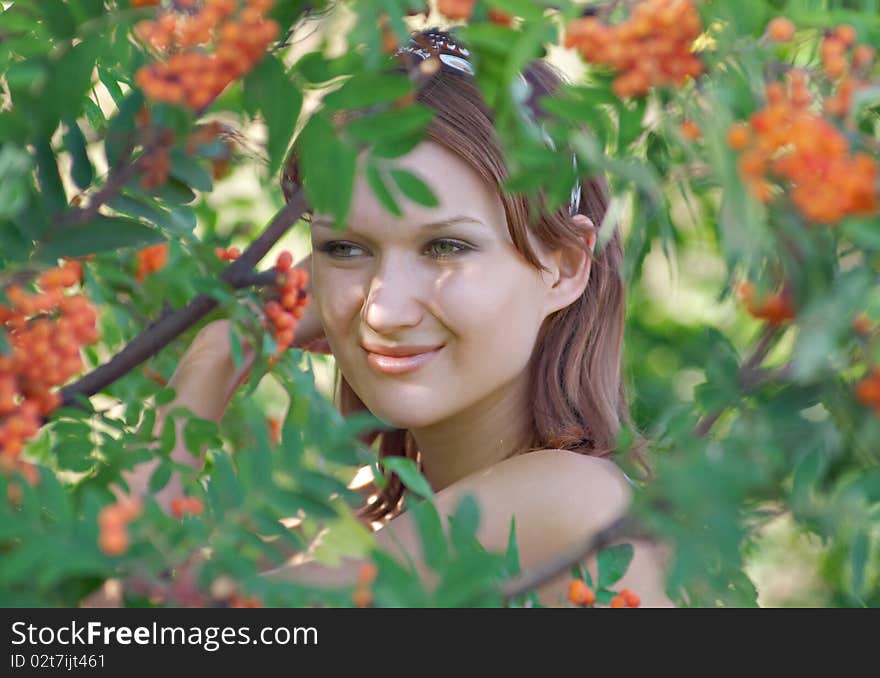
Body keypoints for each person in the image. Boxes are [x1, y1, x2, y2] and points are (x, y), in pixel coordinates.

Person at [123, 28, 674, 607]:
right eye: (344, 248)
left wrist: (217, 356)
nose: (384, 309)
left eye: (446, 248)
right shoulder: (364, 527)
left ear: (563, 267)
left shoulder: (573, 503)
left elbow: (134, 622)